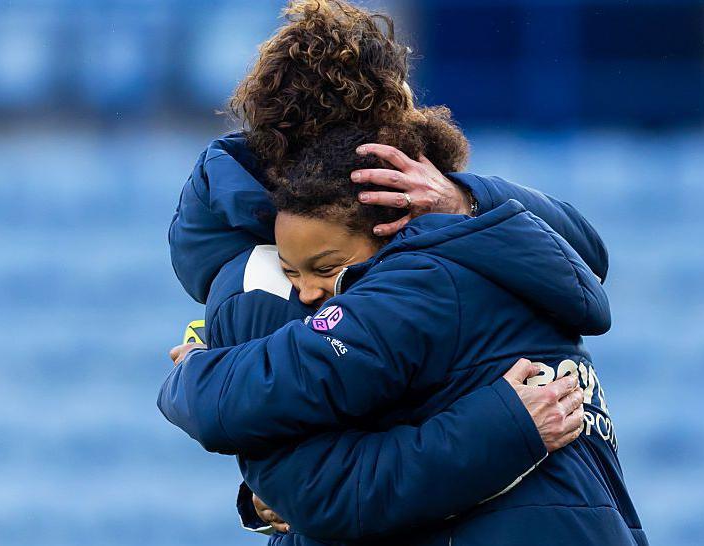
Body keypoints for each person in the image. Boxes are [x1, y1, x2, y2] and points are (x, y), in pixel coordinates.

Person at [160, 120, 646, 545]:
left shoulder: (417, 283)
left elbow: (314, 484)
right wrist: (464, 195)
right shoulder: (487, 242)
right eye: (294, 274)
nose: (309, 293)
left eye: (327, 268)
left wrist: (195, 375)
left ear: (391, 221)